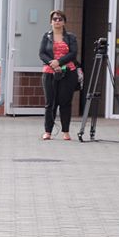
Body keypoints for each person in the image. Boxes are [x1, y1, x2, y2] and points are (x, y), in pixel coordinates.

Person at [38, 9, 78, 141]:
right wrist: (52, 63)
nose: (57, 21)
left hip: (68, 72)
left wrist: (59, 62)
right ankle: (48, 131)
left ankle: (65, 131)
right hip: (50, 73)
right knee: (50, 103)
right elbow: (42, 53)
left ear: (64, 22)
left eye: (60, 19)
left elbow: (73, 53)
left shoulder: (71, 37)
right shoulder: (46, 36)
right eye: (54, 19)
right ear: (51, 22)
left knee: (65, 102)